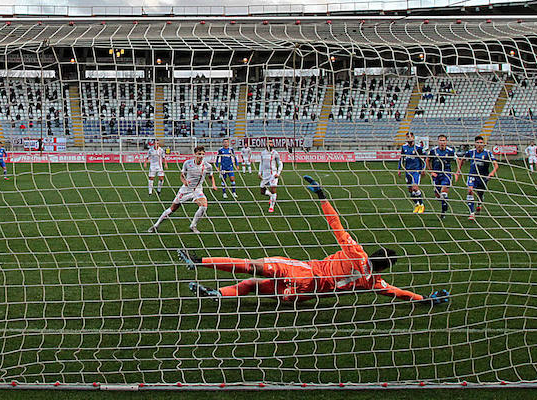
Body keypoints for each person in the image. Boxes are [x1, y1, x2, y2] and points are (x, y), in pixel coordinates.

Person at [179, 175, 449, 307]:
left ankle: (198, 261)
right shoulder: (372, 282)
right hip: (302, 295)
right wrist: (423, 299)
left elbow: (335, 224)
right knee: (252, 285)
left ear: (373, 254)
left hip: (304, 272)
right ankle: (215, 294)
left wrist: (322, 196)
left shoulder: (356, 252)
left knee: (253, 267)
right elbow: (397, 292)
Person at [146, 145, 214, 234]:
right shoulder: (187, 163)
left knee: (204, 206)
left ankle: (193, 225)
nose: (201, 156)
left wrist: (213, 184)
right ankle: (156, 225)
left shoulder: (207, 166)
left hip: (197, 190)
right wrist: (184, 181)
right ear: (195, 154)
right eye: (199, 154)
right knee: (172, 209)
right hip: (185, 190)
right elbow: (182, 175)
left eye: (202, 154)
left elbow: (211, 176)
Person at [461, 135, 498, 221]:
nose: (479, 144)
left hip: (483, 176)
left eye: (481, 143)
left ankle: (479, 203)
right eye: (477, 143)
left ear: (484, 144)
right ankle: (472, 213)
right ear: (475, 144)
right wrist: (458, 171)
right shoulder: (471, 152)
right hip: (472, 175)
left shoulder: (488, 153)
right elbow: (462, 160)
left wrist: (492, 173)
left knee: (480, 193)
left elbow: (496, 165)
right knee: (470, 190)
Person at [427, 134, 456, 217]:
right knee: (437, 194)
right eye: (440, 140)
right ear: (438, 141)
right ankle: (444, 202)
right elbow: (427, 160)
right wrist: (431, 171)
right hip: (436, 174)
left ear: (446, 142)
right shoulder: (433, 151)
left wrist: (457, 172)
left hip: (446, 174)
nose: (442, 142)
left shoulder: (450, 151)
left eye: (443, 141)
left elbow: (457, 160)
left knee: (443, 192)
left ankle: (443, 211)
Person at [398, 132, 426, 213]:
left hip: (416, 171)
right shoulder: (404, 147)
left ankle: (422, 205)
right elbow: (401, 158)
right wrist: (399, 169)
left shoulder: (418, 148)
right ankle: (417, 204)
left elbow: (425, 158)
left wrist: (423, 169)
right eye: (407, 137)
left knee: (415, 188)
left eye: (410, 137)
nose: (409, 138)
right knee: (410, 190)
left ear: (413, 138)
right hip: (407, 171)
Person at [257, 140, 283, 213]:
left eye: (271, 143)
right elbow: (261, 163)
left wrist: (278, 173)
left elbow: (280, 163)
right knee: (262, 191)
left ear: (273, 144)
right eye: (268, 143)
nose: (269, 144)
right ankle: (271, 196)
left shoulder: (275, 153)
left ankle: (271, 206)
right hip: (265, 174)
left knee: (273, 189)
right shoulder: (263, 153)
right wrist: (259, 173)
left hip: (273, 174)